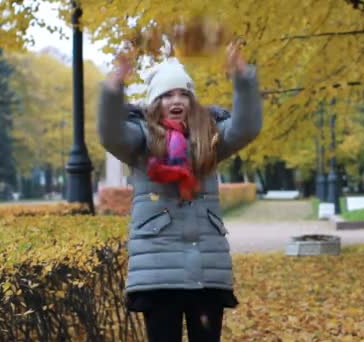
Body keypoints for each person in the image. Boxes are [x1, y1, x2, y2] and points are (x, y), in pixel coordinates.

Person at [96, 41, 262, 342]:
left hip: (206, 271)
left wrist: (243, 77)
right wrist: (114, 84)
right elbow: (110, 133)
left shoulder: (210, 137)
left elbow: (246, 128)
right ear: (154, 103)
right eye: (168, 94)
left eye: (184, 94)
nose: (177, 100)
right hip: (158, 274)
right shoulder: (140, 140)